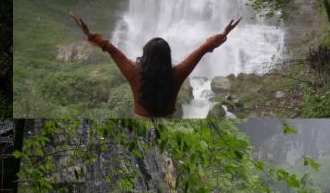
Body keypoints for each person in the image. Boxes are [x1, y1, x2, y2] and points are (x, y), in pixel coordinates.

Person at [71, 14, 241, 118]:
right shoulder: (177, 74)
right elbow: (202, 50)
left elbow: (111, 49)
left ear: (145, 55)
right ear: (168, 57)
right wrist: (224, 34)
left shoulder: (134, 74)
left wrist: (88, 33)